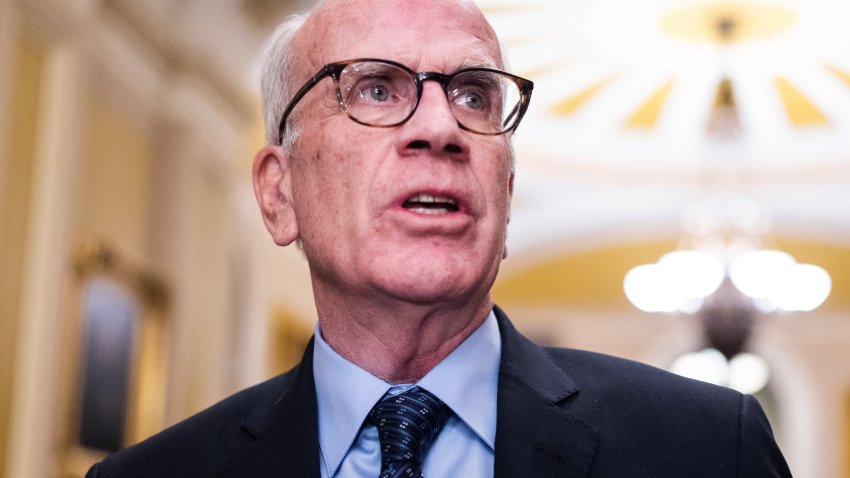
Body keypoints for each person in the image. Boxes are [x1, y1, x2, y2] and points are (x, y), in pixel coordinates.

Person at [86, 0, 793, 476]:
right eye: (375, 89)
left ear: (506, 194)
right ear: (280, 193)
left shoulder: (706, 449)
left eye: (474, 94)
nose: (440, 127)